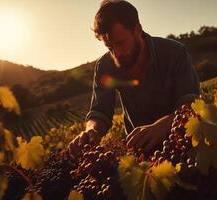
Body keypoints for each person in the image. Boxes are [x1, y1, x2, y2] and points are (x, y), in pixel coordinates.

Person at [68, 0, 200, 156]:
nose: (116, 54)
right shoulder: (105, 66)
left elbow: (191, 104)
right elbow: (100, 111)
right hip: (141, 154)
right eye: (109, 47)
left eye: (120, 43)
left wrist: (163, 126)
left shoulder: (174, 52)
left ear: (137, 29)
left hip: (185, 145)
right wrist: (91, 131)